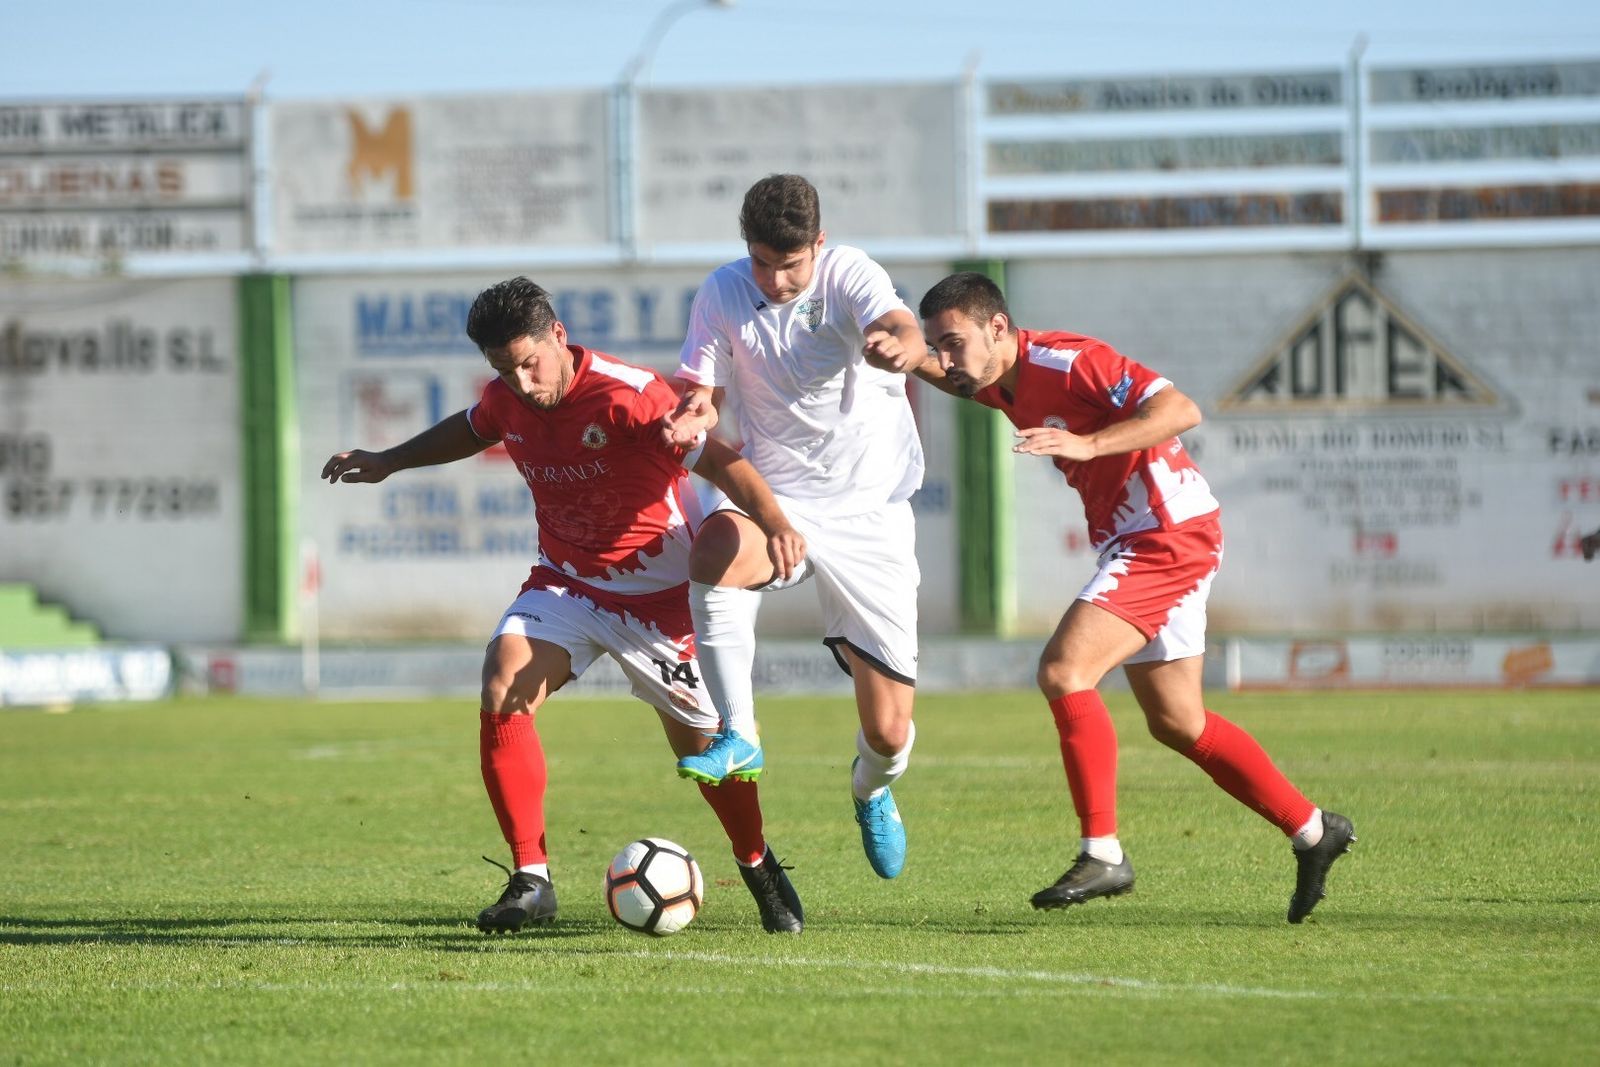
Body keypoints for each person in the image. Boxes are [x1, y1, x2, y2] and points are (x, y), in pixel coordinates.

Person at [322, 276, 808, 934]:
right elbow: (471, 429)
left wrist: (775, 521)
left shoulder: (627, 396)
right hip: (568, 582)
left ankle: (756, 862)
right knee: (503, 676)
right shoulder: (506, 397)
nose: (521, 381)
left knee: (705, 752)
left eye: (530, 362)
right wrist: (388, 459)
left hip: (661, 599)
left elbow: (721, 463)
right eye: (504, 369)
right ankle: (532, 878)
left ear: (559, 335)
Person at [914, 271, 1355, 924]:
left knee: (1065, 670)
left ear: (998, 327)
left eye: (953, 343)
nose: (947, 360)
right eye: (938, 347)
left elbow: (1180, 410)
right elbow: (957, 378)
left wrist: (1088, 443)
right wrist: (898, 352)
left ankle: (1103, 851)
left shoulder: (1067, 362)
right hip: (1151, 534)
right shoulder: (1001, 380)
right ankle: (1315, 830)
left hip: (1164, 534)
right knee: (1178, 721)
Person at [662, 174, 929, 880]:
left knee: (889, 731)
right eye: (761, 262)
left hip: (870, 515)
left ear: (819, 242)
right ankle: (739, 733)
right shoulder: (722, 292)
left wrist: (900, 345)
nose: (776, 281)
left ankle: (871, 788)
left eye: (791, 264)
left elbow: (902, 324)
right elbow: (702, 394)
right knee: (716, 548)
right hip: (780, 499)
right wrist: (693, 413)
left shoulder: (849, 272)